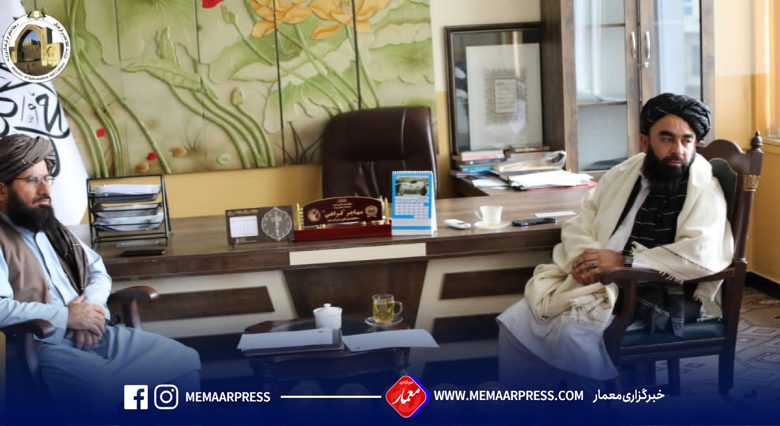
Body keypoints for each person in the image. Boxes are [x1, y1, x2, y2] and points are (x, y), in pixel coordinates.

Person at [497, 93, 734, 386]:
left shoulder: (703, 188)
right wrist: (587, 259)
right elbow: (581, 219)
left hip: (656, 291)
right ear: (646, 142)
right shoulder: (626, 172)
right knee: (515, 322)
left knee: (571, 334)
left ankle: (597, 405)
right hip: (601, 281)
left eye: (687, 141)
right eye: (667, 139)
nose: (678, 150)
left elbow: (701, 253)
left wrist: (624, 262)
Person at [0, 134, 201, 418]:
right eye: (33, 180)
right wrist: (68, 317)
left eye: (47, 178)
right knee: (95, 389)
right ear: (2, 190)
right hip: (44, 344)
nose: (46, 189)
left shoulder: (50, 226)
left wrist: (91, 312)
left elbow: (97, 270)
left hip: (96, 331)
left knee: (182, 360)